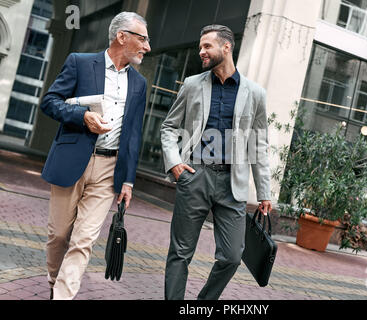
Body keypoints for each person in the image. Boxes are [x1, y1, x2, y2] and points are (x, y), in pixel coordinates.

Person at [40, 11, 151, 300]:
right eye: (143, 39)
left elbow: (134, 134)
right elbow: (50, 102)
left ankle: (62, 296)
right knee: (60, 236)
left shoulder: (139, 84)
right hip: (71, 159)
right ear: (121, 37)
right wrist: (82, 116)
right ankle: (55, 283)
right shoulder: (79, 62)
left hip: (109, 169)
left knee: (83, 240)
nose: (147, 47)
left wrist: (128, 181)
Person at [160, 24, 272, 300]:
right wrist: (174, 163)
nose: (202, 52)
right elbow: (169, 128)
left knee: (233, 256)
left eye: (207, 46)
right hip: (194, 174)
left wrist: (264, 192)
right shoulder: (192, 85)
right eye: (200, 47)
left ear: (226, 47)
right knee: (181, 253)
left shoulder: (255, 93)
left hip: (231, 183)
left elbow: (259, 145)